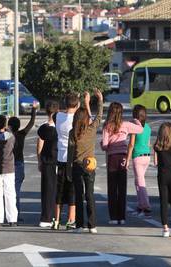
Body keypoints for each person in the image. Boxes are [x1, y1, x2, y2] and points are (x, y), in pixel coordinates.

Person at [0, 99, 36, 222]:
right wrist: (34, 110)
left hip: (7, 165)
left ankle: (4, 214)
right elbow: (31, 123)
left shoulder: (7, 135)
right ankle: (16, 214)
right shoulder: (21, 134)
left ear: (8, 126)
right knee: (16, 191)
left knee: (4, 191)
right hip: (19, 164)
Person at [52, 93, 89, 230]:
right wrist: (84, 102)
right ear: (77, 104)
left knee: (60, 191)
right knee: (73, 191)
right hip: (73, 158)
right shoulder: (77, 119)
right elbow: (86, 117)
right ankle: (71, 220)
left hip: (60, 158)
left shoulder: (57, 117)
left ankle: (56, 220)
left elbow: (59, 112)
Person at [101, 102, 143, 225]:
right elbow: (140, 130)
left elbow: (104, 146)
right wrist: (136, 121)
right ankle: (122, 217)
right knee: (122, 187)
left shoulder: (107, 126)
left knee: (112, 188)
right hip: (123, 156)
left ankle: (113, 217)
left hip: (112, 158)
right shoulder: (125, 125)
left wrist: (104, 145)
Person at [67, 89, 103, 233]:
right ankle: (92, 225)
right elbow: (98, 117)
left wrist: (69, 169)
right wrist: (99, 100)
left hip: (76, 165)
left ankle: (79, 225)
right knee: (90, 194)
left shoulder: (72, 133)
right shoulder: (91, 129)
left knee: (78, 195)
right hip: (90, 165)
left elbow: (70, 153)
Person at [126, 105, 152, 218]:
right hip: (147, 156)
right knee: (138, 182)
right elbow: (148, 143)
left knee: (140, 182)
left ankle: (146, 207)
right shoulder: (148, 127)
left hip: (138, 157)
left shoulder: (134, 128)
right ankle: (140, 206)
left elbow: (131, 144)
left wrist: (127, 160)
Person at [37, 101, 59, 228]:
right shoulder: (59, 128)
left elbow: (39, 144)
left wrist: (39, 160)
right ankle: (55, 217)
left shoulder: (43, 128)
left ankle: (46, 216)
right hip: (57, 161)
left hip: (46, 161)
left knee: (46, 190)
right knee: (57, 191)